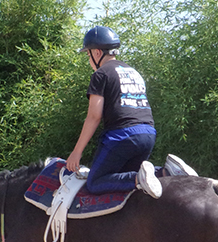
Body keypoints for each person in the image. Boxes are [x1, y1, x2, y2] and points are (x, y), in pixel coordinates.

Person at [66, 26, 164, 198]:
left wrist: (76, 152)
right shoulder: (134, 73)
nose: (89, 59)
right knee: (121, 180)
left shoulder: (101, 74)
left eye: (88, 54)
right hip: (148, 134)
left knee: (95, 182)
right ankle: (165, 172)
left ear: (97, 53)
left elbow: (94, 116)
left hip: (122, 137)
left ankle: (140, 177)